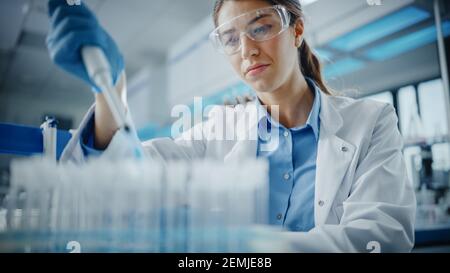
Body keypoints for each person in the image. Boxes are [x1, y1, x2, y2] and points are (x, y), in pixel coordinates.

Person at [46, 0, 416, 252]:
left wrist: (248, 248)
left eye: (261, 28)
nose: (247, 50)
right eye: (230, 39)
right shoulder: (217, 130)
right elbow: (127, 174)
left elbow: (381, 237)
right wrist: (111, 89)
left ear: (297, 30)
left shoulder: (371, 122)